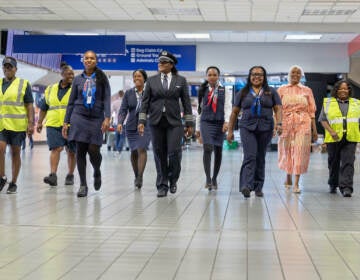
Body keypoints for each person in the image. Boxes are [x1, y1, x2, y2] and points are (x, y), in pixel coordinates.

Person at [138, 50, 193, 197]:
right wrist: (142, 120)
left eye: (163, 62)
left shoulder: (180, 80)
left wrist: (190, 123)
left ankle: (173, 179)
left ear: (171, 64)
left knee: (174, 152)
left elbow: (186, 103)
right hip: (155, 122)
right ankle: (162, 184)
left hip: (174, 122)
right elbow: (145, 102)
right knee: (159, 153)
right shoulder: (151, 81)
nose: (160, 64)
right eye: (159, 62)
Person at [227, 66, 282, 198]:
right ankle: (246, 185)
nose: (256, 77)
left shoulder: (271, 92)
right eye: (254, 74)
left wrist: (279, 124)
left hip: (266, 127)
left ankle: (258, 187)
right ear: (249, 76)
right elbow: (234, 113)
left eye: (260, 74)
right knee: (250, 155)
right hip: (247, 127)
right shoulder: (243, 92)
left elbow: (278, 109)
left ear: (264, 77)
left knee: (260, 157)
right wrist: (230, 130)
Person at [62, 50, 111, 197]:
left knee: (94, 150)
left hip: (96, 118)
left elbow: (107, 98)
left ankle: (97, 171)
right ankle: (83, 184)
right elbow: (71, 102)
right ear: (83, 61)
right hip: (79, 117)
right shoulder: (77, 80)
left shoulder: (102, 78)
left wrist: (107, 117)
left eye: (92, 58)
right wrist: (66, 122)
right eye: (86, 58)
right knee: (80, 150)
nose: (89, 60)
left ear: (96, 61)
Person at [277, 65, 318, 193]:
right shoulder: (281, 89)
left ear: (301, 75)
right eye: (293, 72)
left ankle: (296, 183)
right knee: (286, 150)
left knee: (300, 151)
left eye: (298, 72)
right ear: (288, 75)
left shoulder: (307, 90)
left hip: (303, 123)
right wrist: (276, 125)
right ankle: (288, 176)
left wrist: (314, 130)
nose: (295, 74)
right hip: (286, 123)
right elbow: (277, 109)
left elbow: (312, 112)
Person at [37, 63, 76, 187]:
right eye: (69, 74)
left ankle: (70, 175)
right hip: (53, 124)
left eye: (72, 74)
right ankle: (53, 175)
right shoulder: (50, 89)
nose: (72, 76)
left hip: (71, 124)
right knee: (56, 148)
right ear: (62, 74)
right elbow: (44, 107)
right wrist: (39, 122)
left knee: (71, 151)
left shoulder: (76, 89)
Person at [319, 80, 360, 197]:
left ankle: (347, 187)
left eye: (345, 88)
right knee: (333, 162)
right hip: (333, 138)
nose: (343, 91)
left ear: (349, 90)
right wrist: (331, 132)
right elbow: (322, 119)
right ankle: (333, 183)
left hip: (350, 138)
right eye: (340, 88)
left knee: (348, 162)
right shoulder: (328, 102)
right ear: (336, 90)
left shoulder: (357, 103)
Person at [0, 56, 34, 194]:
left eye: (10, 67)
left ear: (15, 69)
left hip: (17, 125)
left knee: (15, 153)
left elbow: (29, 105)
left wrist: (31, 123)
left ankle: (13, 182)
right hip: (1, 124)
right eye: (5, 67)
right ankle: (2, 177)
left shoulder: (24, 84)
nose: (7, 69)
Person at [195, 66, 232, 190]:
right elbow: (199, 110)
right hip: (206, 122)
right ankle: (207, 178)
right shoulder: (202, 90)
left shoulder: (225, 90)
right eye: (209, 75)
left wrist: (227, 122)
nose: (212, 77)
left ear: (218, 76)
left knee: (218, 150)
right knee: (208, 147)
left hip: (219, 123)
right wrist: (197, 128)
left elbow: (228, 107)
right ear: (206, 76)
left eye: (214, 74)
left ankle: (215, 177)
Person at [118, 69, 151, 189]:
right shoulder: (129, 93)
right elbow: (123, 109)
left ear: (144, 78)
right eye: (135, 76)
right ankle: (136, 174)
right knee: (133, 151)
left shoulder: (149, 92)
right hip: (131, 126)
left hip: (146, 125)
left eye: (139, 76)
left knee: (141, 149)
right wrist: (120, 122)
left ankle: (140, 177)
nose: (136, 78)